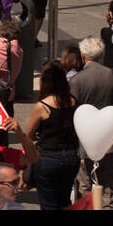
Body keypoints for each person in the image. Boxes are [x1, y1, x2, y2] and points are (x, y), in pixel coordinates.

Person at [68, 37, 113, 210]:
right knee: (107, 186)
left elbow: (70, 112)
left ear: (83, 56)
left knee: (84, 184)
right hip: (110, 139)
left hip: (83, 141)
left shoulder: (76, 81)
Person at [24, 59, 80, 210]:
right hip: (70, 156)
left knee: (48, 203)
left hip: (48, 157)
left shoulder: (42, 106)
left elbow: (27, 135)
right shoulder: (73, 101)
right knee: (64, 201)